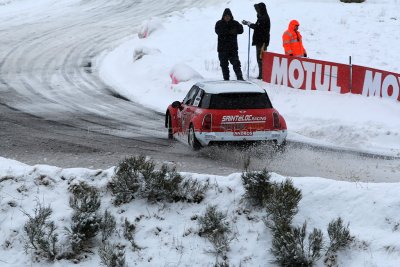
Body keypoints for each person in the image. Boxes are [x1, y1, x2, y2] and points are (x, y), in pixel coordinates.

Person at [242, 2, 270, 79]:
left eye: (257, 9)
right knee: (260, 58)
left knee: (261, 58)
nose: (257, 11)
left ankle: (263, 75)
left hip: (262, 41)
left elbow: (258, 27)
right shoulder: (262, 17)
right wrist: (249, 23)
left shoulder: (264, 18)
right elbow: (258, 26)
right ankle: (262, 74)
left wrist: (249, 24)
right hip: (261, 41)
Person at [215, 8, 244, 81]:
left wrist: (237, 29)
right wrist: (229, 32)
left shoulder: (235, 23)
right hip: (222, 49)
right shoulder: (219, 23)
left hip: (232, 49)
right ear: (223, 16)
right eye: (226, 16)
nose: (227, 17)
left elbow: (241, 30)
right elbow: (218, 31)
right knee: (224, 65)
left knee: (236, 64)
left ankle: (240, 78)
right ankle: (226, 79)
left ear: (231, 16)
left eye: (228, 16)